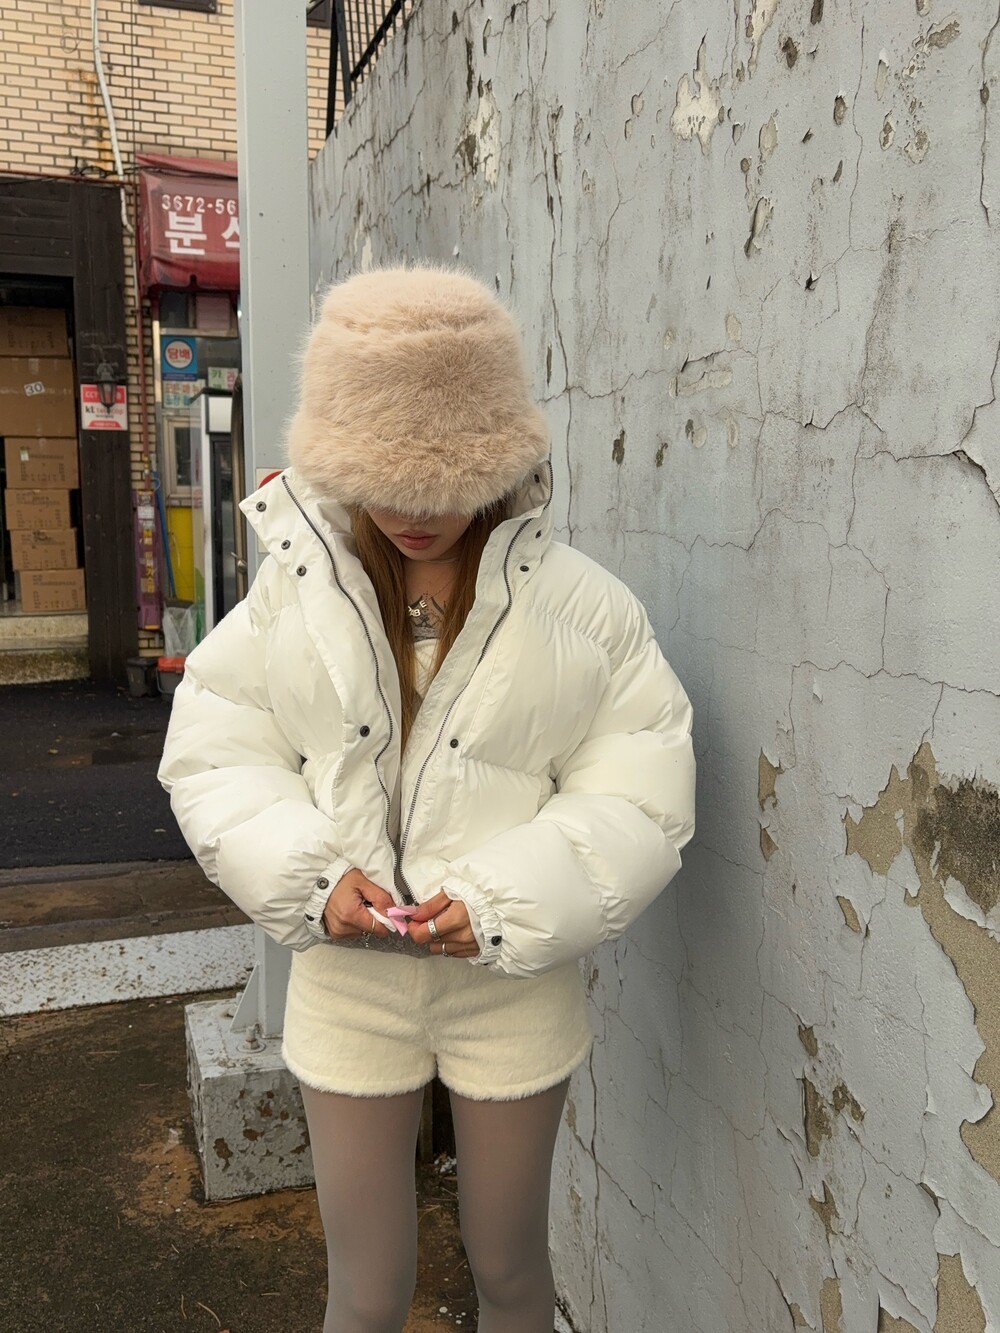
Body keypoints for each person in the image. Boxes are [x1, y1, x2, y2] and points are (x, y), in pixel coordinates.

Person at [158, 264, 696, 1333]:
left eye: (443, 476)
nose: (412, 509)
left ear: (494, 457)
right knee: (363, 1294)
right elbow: (219, 751)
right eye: (381, 475)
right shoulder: (295, 591)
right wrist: (315, 879)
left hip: (511, 977)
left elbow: (640, 786)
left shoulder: (582, 608)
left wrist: (501, 901)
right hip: (347, 977)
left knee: (511, 1274)